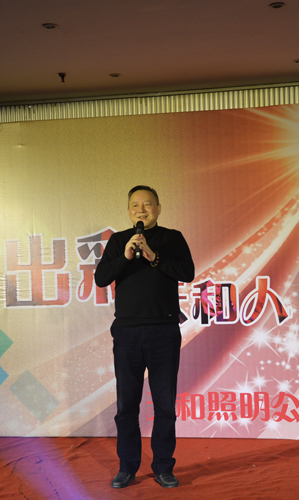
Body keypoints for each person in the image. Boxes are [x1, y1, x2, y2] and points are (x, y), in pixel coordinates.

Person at [95, 185, 195, 489]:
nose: (141, 210)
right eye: (136, 205)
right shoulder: (118, 241)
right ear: (129, 211)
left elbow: (187, 272)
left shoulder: (172, 238)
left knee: (164, 405)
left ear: (158, 208)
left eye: (148, 204)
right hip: (127, 332)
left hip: (164, 331)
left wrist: (154, 256)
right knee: (127, 406)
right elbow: (101, 278)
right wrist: (125, 257)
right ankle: (127, 467)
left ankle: (163, 466)